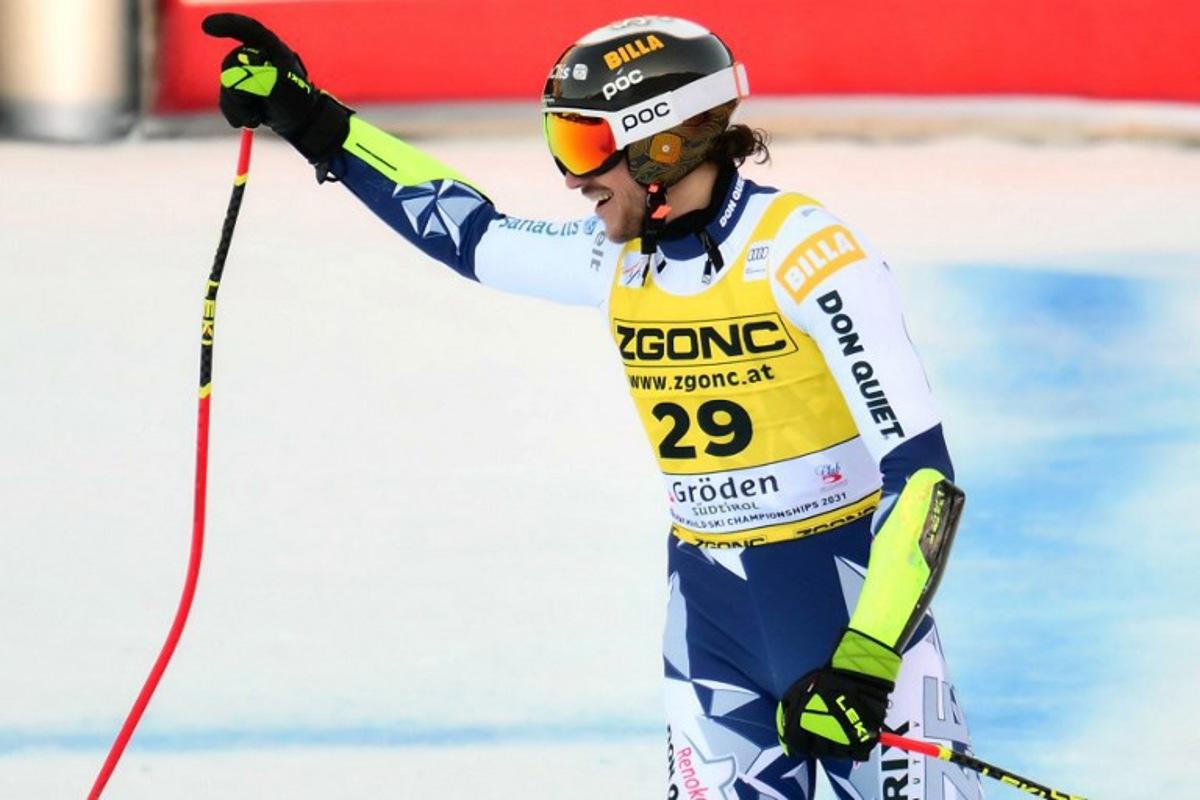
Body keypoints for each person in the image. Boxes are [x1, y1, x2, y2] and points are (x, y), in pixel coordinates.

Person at [203, 13, 984, 799]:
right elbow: (470, 234)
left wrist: (868, 657)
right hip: (709, 606)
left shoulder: (808, 256)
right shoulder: (612, 258)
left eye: (582, 147)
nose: (572, 181)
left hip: (842, 600)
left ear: (664, 144)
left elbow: (923, 482)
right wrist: (313, 123)